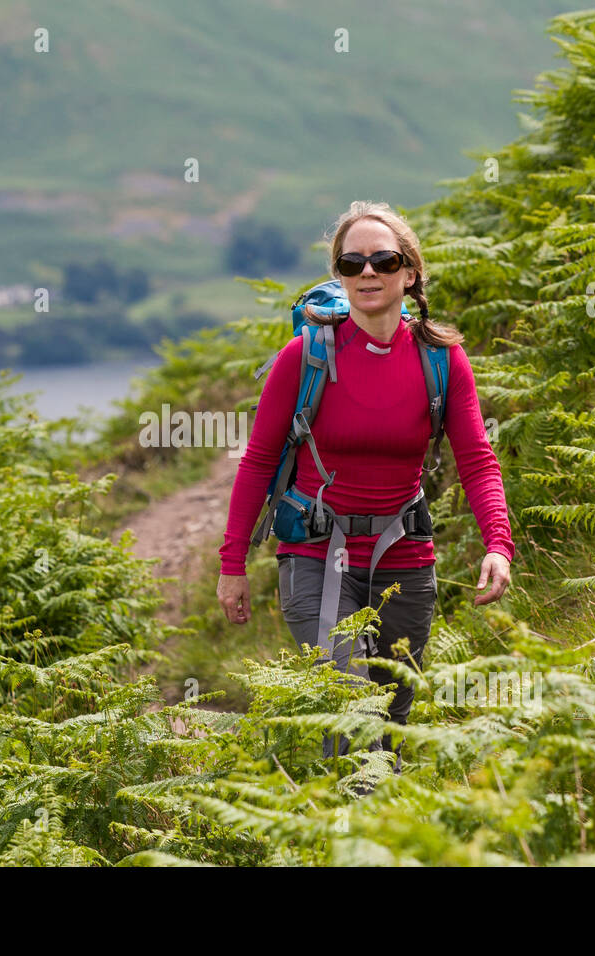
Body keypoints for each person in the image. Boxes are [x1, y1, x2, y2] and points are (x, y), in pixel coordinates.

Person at [216, 200, 515, 769]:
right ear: (340, 276)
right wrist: (233, 565)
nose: (368, 273)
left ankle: (381, 835)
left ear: (410, 273)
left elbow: (476, 458)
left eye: (383, 259)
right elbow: (257, 462)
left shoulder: (442, 360)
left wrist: (498, 544)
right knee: (352, 715)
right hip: (313, 554)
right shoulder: (303, 357)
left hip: (403, 555)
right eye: (351, 264)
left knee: (391, 720)